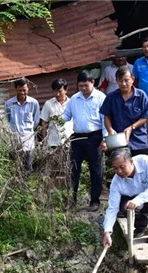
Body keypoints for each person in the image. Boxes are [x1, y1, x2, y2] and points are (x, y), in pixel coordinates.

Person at [62, 70, 107, 212]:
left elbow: (105, 120)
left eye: (85, 85)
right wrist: (54, 119)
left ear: (92, 82)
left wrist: (105, 139)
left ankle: (95, 201)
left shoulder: (101, 97)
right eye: (80, 86)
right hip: (78, 137)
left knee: (96, 170)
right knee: (73, 169)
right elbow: (66, 116)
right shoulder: (74, 99)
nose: (83, 88)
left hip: (95, 137)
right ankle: (71, 200)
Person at [101, 66, 148, 156]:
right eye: (120, 81)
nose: (124, 84)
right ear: (116, 81)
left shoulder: (141, 95)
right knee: (120, 169)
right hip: (118, 142)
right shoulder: (111, 97)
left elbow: (146, 116)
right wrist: (110, 130)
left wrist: (132, 127)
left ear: (132, 79)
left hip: (139, 142)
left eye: (126, 80)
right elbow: (107, 116)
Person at [5, 77, 41, 171]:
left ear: (28, 88)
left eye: (24, 90)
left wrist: (27, 133)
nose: (22, 92)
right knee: (15, 167)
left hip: (28, 140)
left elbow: (36, 121)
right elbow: (8, 120)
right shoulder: (9, 104)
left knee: (28, 166)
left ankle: (29, 185)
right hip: (14, 140)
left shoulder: (34, 103)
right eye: (20, 90)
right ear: (15, 89)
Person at [39, 78, 73, 149]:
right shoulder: (48, 104)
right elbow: (44, 123)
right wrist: (44, 141)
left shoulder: (72, 103)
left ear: (66, 90)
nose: (57, 94)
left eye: (60, 91)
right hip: (53, 142)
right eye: (55, 91)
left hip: (69, 142)